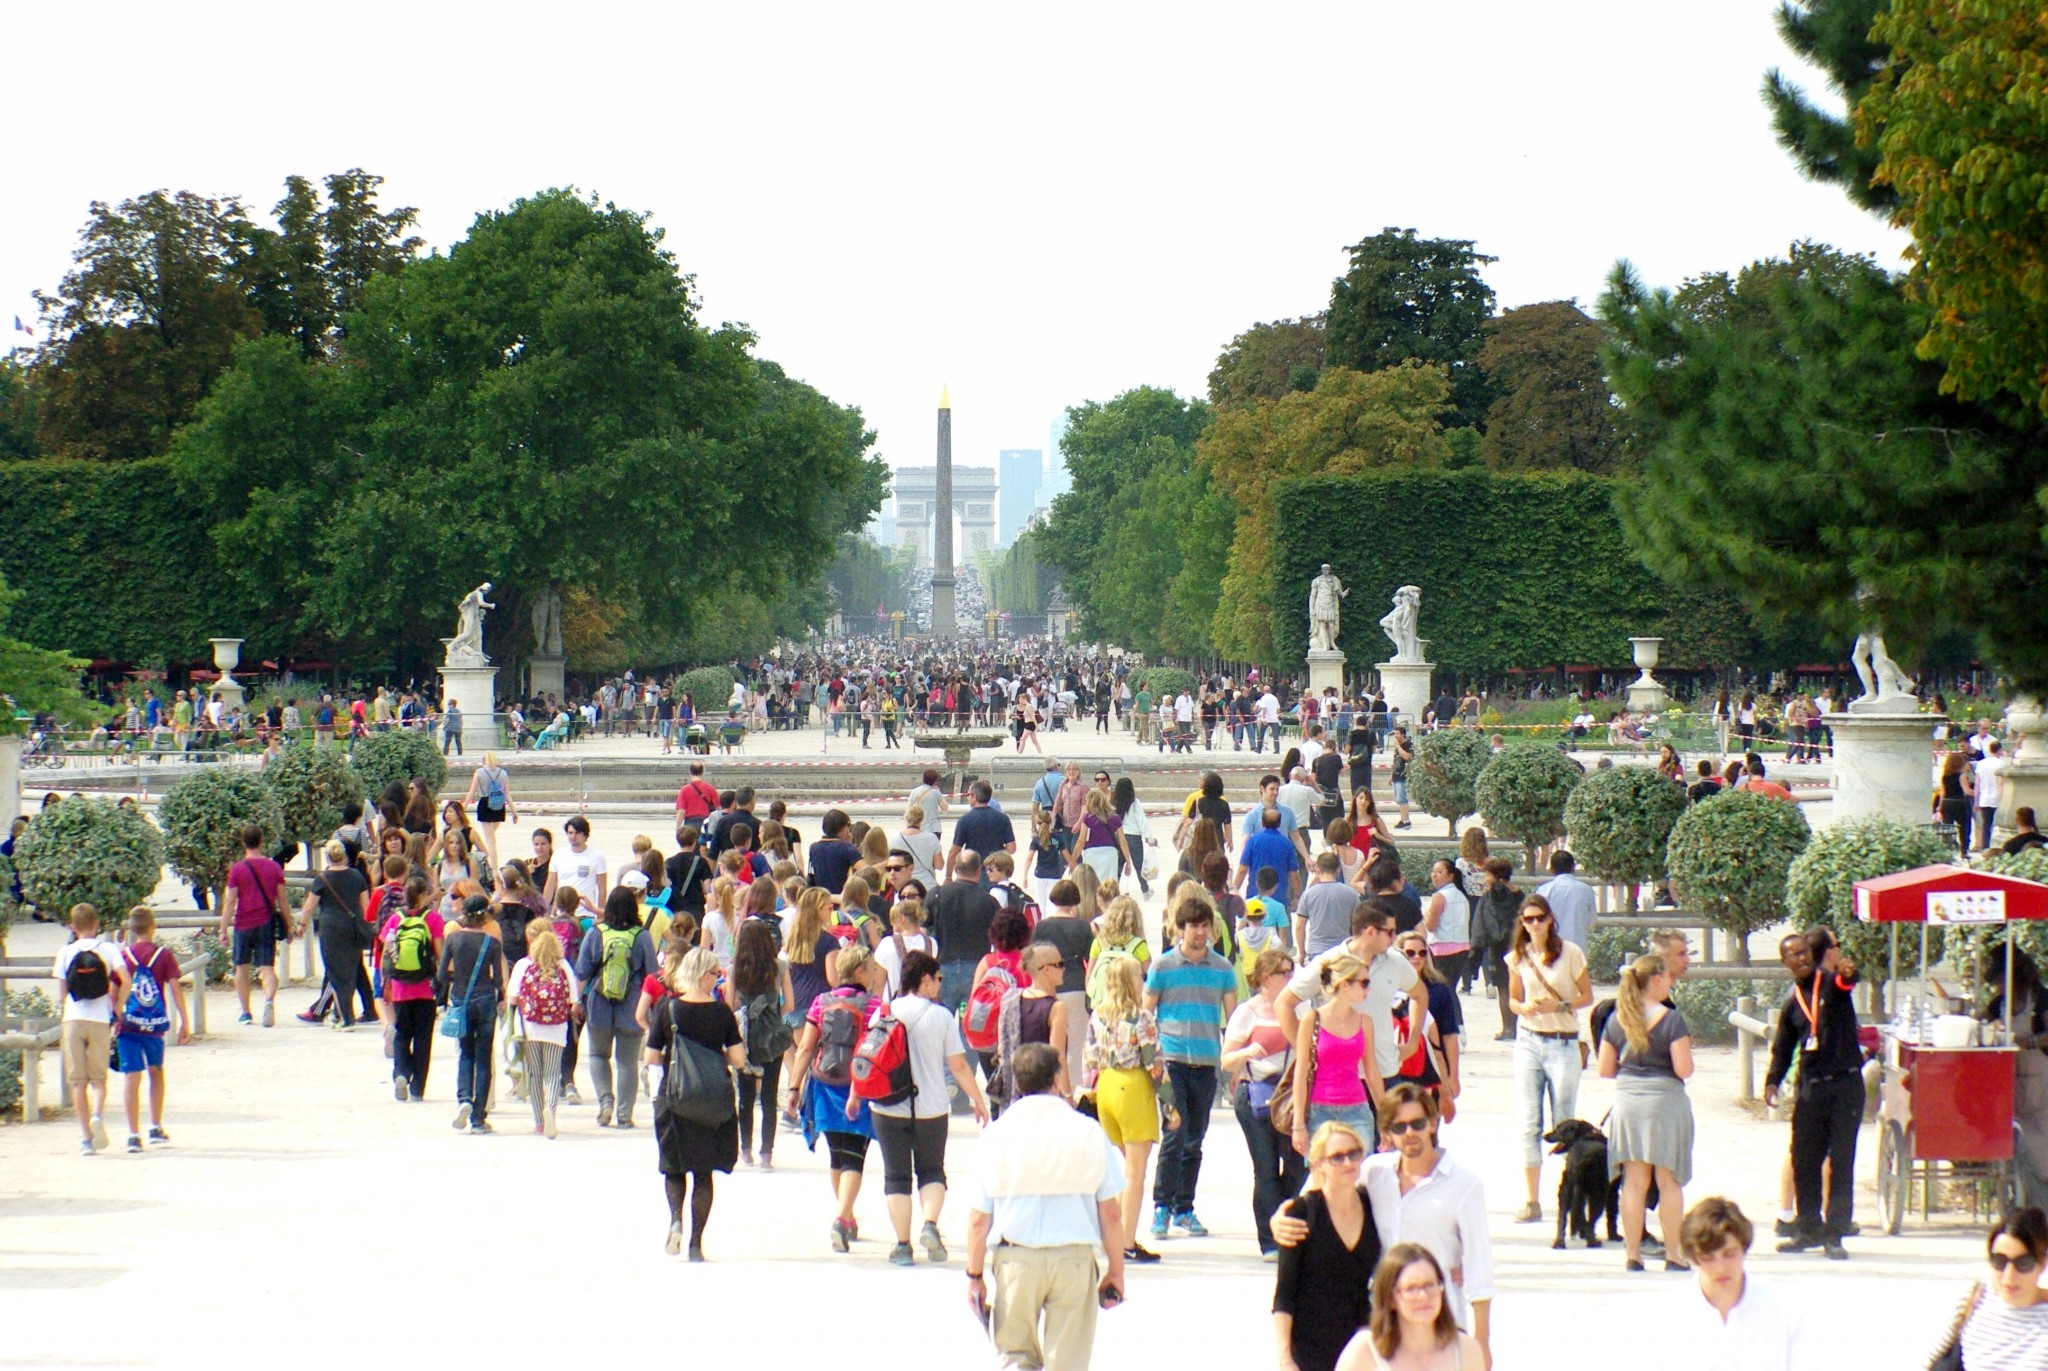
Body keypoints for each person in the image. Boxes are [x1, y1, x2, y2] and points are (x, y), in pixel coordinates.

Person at [966, 1042, 1127, 1371]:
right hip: (1073, 1258)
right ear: (1056, 1079)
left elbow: (978, 1219)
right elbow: (1110, 1212)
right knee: (1066, 1362)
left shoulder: (997, 1135)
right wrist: (1116, 1270)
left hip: (1016, 1258)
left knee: (1015, 1357)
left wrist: (975, 1274)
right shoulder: (1087, 1131)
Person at [872, 951, 990, 1266]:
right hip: (932, 1107)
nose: (940, 984)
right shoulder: (940, 1017)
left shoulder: (883, 1012)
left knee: (895, 1177)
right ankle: (929, 1224)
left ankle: (901, 1246)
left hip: (888, 1107)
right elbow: (959, 1065)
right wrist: (978, 1100)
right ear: (925, 980)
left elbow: (868, 1059)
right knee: (932, 1170)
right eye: (938, 978)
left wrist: (858, 1095)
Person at [1143, 899, 1238, 1242]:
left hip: (1207, 1061)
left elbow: (1235, 1019)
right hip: (1171, 1064)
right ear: (1180, 928)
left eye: (1205, 925)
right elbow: (1145, 1014)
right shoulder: (1163, 965)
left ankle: (1184, 1207)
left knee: (1195, 1139)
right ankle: (1161, 1207)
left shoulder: (1223, 968)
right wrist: (1149, 1060)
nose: (1200, 932)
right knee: (1174, 1133)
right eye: (1194, 926)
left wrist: (1233, 1065)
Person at [1765, 926, 1862, 1260]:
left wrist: (1850, 974)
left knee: (1841, 1160)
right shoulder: (1792, 1003)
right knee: (1803, 1159)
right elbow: (1782, 1047)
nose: (1801, 958)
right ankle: (1807, 1227)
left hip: (1845, 1084)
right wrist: (1772, 1082)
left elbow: (1846, 982)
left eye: (1805, 952)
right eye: (1793, 955)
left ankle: (1835, 1233)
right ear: (1785, 962)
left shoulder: (1832, 986)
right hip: (1811, 1088)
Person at [643, 948, 744, 1260]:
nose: (718, 978)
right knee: (703, 1173)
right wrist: (715, 1056)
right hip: (712, 1101)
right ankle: (696, 1243)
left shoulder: (668, 1008)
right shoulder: (722, 1013)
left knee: (674, 1167)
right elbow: (738, 1059)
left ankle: (676, 1220)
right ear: (704, 975)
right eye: (715, 973)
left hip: (675, 1098)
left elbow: (651, 1057)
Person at [1599, 952, 1694, 1271]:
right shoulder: (1672, 1020)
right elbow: (1684, 1069)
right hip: (1664, 1102)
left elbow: (1605, 1069)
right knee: (1668, 1180)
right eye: (1667, 977)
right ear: (1655, 980)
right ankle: (1673, 1254)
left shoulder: (1616, 1019)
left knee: (1634, 1181)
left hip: (1627, 1102)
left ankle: (1633, 1254)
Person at [791, 942, 887, 1252]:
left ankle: (846, 1216)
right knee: (855, 1156)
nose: (874, 974)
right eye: (871, 968)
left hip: (825, 1083)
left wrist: (793, 1088)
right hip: (859, 1087)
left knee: (836, 1154)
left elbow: (806, 1047)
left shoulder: (821, 1002)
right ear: (859, 971)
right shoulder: (874, 1007)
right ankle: (841, 1217)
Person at [1506, 893, 1591, 1223]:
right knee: (1529, 1123)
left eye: (1540, 917)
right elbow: (1513, 999)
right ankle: (1531, 1200)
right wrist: (1522, 1007)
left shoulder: (1570, 952)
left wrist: (1561, 1006)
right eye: (1529, 919)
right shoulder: (1518, 956)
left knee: (1564, 1121)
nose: (1535, 924)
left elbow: (1587, 995)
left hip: (1563, 1042)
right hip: (1529, 1040)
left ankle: (1569, 1193)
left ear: (1550, 919)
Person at [1272, 1122, 1384, 1371]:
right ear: (1319, 1163)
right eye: (1337, 1157)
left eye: (1354, 1153)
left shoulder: (1373, 1202)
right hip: (1310, 1345)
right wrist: (1285, 1358)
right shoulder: (1302, 1212)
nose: (1348, 1163)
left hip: (1361, 1343)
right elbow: (1285, 1293)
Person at [1654, 1198, 1811, 1371]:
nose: (1720, 1268)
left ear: (1744, 1248)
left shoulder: (1784, 1308)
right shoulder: (1669, 1313)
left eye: (1730, 1254)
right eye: (1708, 1258)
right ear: (1694, 1257)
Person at [1223, 946, 1305, 1259]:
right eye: (1284, 972)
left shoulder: (1298, 1009)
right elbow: (1226, 1059)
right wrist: (1247, 1052)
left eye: (1291, 971)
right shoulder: (1249, 1011)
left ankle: (1282, 1220)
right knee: (1266, 1168)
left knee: (1298, 1165)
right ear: (1266, 976)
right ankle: (1271, 1238)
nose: (1290, 977)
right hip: (1255, 1093)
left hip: (1290, 1094)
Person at [1084, 954, 1163, 1263]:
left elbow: (1089, 1059)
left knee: (1119, 1171)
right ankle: (1126, 1240)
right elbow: (1154, 1062)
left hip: (1105, 1088)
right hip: (1132, 1088)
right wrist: (1169, 1106)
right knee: (1135, 1173)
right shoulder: (1140, 1018)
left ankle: (1112, 1235)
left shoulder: (1098, 1016)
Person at [575, 887, 656, 1129]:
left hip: (599, 1003)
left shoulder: (596, 932)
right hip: (632, 1005)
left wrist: (578, 1001)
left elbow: (582, 970)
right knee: (627, 1062)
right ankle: (624, 1114)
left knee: (598, 1055)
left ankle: (605, 1102)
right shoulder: (641, 935)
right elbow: (651, 973)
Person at [112, 907, 190, 1152]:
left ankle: (133, 1134)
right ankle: (155, 1125)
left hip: (129, 1025)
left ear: (131, 930)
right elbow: (176, 988)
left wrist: (114, 1019)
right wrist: (185, 1020)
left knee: (131, 1077)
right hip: (154, 1026)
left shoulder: (123, 956)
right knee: (156, 1072)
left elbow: (113, 992)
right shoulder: (163, 955)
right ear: (152, 926)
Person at [54, 903, 130, 1155]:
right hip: (99, 1019)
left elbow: (62, 993)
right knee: (98, 1080)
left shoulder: (65, 952)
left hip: (73, 1019)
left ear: (73, 927)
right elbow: (126, 979)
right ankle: (97, 1114)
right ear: (96, 924)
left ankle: (86, 1139)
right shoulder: (108, 949)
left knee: (77, 1082)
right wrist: (117, 1007)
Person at [1337, 1244, 1485, 1371]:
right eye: (1411, 1288)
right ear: (1390, 1298)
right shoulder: (1364, 1349)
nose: (1423, 1296)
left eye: (1430, 1285)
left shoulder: (1466, 1349)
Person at [1291, 951, 1381, 1162]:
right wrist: (1298, 1124)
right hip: (1319, 1111)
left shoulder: (1364, 1022)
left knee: (1358, 1177)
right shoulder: (1312, 1019)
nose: (1368, 988)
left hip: (1357, 1110)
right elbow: (1301, 1073)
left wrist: (1385, 1117)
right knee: (1323, 1179)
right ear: (1345, 984)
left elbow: (1372, 1071)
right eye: (1364, 982)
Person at [727, 916, 797, 1169]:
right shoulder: (780, 966)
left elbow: (729, 1003)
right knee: (769, 1096)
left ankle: (745, 1149)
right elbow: (789, 1004)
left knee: (745, 1095)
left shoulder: (736, 968)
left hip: (744, 1036)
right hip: (771, 1036)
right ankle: (767, 1152)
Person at [439, 895, 505, 1133]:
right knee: (484, 1057)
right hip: (486, 998)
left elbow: (441, 974)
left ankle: (464, 1099)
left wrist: (456, 982)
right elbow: (498, 979)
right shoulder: (492, 943)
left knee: (465, 1053)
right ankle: (478, 1117)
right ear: (485, 916)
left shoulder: (453, 938)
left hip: (461, 997)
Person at [507, 921, 579, 1138]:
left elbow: (512, 999)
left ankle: (539, 1121)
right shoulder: (564, 966)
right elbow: (573, 1000)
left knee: (535, 1074)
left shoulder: (523, 965)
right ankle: (551, 1111)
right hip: (557, 1028)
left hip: (531, 1027)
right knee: (551, 1073)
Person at [379, 876, 445, 1101]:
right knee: (423, 1037)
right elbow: (439, 953)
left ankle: (401, 1072)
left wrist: (385, 980)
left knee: (402, 1033)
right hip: (425, 987)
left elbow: (386, 950)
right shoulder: (433, 919)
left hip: (399, 987)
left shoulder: (394, 919)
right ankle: (418, 1087)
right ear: (424, 895)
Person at [219, 823, 286, 1027]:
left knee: (241, 968)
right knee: (267, 967)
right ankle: (268, 1000)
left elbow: (230, 901)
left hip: (243, 922)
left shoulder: (238, 869)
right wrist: (289, 925)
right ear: (261, 841)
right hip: (266, 921)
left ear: (243, 842)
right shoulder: (274, 867)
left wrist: (223, 929)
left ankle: (246, 1012)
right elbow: (282, 900)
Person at [300, 840, 372, 1028]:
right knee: (350, 970)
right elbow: (366, 906)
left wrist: (301, 925)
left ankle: (346, 1017)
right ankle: (342, 1014)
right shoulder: (357, 876)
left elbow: (309, 907)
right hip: (353, 927)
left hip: (331, 929)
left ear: (327, 857)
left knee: (334, 971)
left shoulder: (322, 879)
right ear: (344, 856)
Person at [1390, 935, 1461, 1119]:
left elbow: (1449, 1036)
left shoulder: (1439, 989)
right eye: (1410, 953)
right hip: (1394, 1069)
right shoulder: (1387, 989)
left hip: (1430, 1071)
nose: (1417, 958)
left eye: (1422, 953)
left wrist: (1453, 1076)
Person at [1031, 880, 1094, 1087]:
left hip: (1049, 988)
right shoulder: (1084, 927)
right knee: (1075, 1046)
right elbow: (1090, 958)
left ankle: (1052, 1085)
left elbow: (1033, 958)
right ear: (1075, 900)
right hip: (1076, 985)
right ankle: (1073, 1089)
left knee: (1051, 1043)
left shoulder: (1042, 926)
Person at [931, 849, 1001, 1014]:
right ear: (978, 871)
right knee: (971, 1026)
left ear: (955, 869)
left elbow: (924, 930)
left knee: (942, 1021)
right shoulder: (990, 901)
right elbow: (999, 938)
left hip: (943, 966)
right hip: (976, 968)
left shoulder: (937, 895)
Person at [1296, 849, 1362, 960]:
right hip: (1343, 950)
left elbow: (1299, 926)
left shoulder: (1308, 894)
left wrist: (1301, 952)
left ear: (1317, 870)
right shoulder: (1351, 893)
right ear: (1338, 870)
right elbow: (1358, 923)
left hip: (1317, 950)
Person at [947, 781, 1017, 881]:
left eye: (968, 795)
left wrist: (948, 876)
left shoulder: (965, 820)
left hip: (973, 871)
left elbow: (954, 851)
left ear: (974, 797)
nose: (967, 797)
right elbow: (1012, 848)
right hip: (996, 870)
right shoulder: (1003, 818)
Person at [1421, 859, 1471, 992]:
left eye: (1439, 872)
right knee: (1450, 990)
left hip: (1442, 949)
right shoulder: (1462, 896)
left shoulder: (1439, 897)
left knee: (1444, 990)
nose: (1434, 875)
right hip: (1462, 947)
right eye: (1433, 872)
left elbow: (1431, 926)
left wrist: (1426, 916)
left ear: (1451, 876)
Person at [1533, 850, 1596, 950]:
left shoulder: (1544, 891)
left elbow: (1537, 920)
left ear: (1551, 870)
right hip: (1578, 947)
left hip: (1551, 948)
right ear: (1573, 868)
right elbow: (1591, 921)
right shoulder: (1586, 890)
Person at [463, 750, 515, 871]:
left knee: (490, 840)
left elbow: (472, 791)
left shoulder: (479, 773)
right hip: (499, 806)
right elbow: (507, 794)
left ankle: (494, 867)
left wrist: (464, 806)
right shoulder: (503, 773)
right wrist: (514, 811)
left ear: (483, 760)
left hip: (485, 804)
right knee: (490, 836)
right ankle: (487, 856)